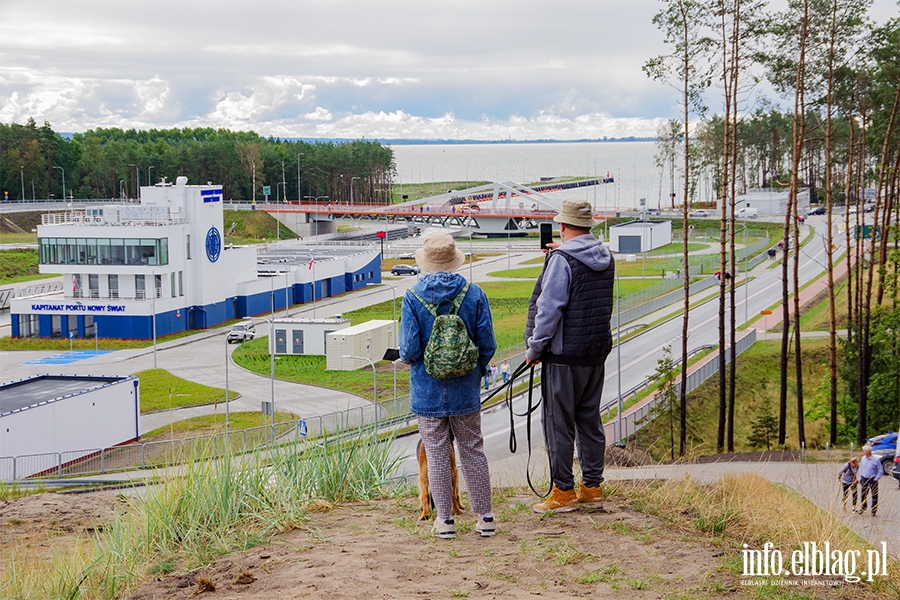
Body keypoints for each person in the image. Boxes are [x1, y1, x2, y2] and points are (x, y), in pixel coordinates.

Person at [400, 232, 498, 539]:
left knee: (437, 454)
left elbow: (409, 350)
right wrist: (475, 372)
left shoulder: (412, 297)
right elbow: (488, 343)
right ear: (454, 260)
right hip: (465, 390)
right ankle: (485, 518)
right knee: (473, 450)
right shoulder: (474, 293)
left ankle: (445, 521)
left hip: (426, 392)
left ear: (426, 262)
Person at [524, 199, 615, 513]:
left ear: (562, 226)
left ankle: (562, 491)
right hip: (595, 351)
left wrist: (535, 348)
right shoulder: (606, 256)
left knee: (557, 424)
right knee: (589, 420)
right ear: (588, 226)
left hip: (563, 355)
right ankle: (592, 486)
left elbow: (549, 309)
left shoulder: (561, 260)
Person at [856, 445, 883, 516]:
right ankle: (863, 507)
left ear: (868, 452)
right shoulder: (863, 458)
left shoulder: (876, 460)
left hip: (872, 479)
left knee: (874, 495)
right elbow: (861, 469)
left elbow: (880, 470)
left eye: (864, 451)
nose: (863, 452)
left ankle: (874, 510)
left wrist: (876, 478)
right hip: (864, 478)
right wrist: (860, 478)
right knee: (863, 494)